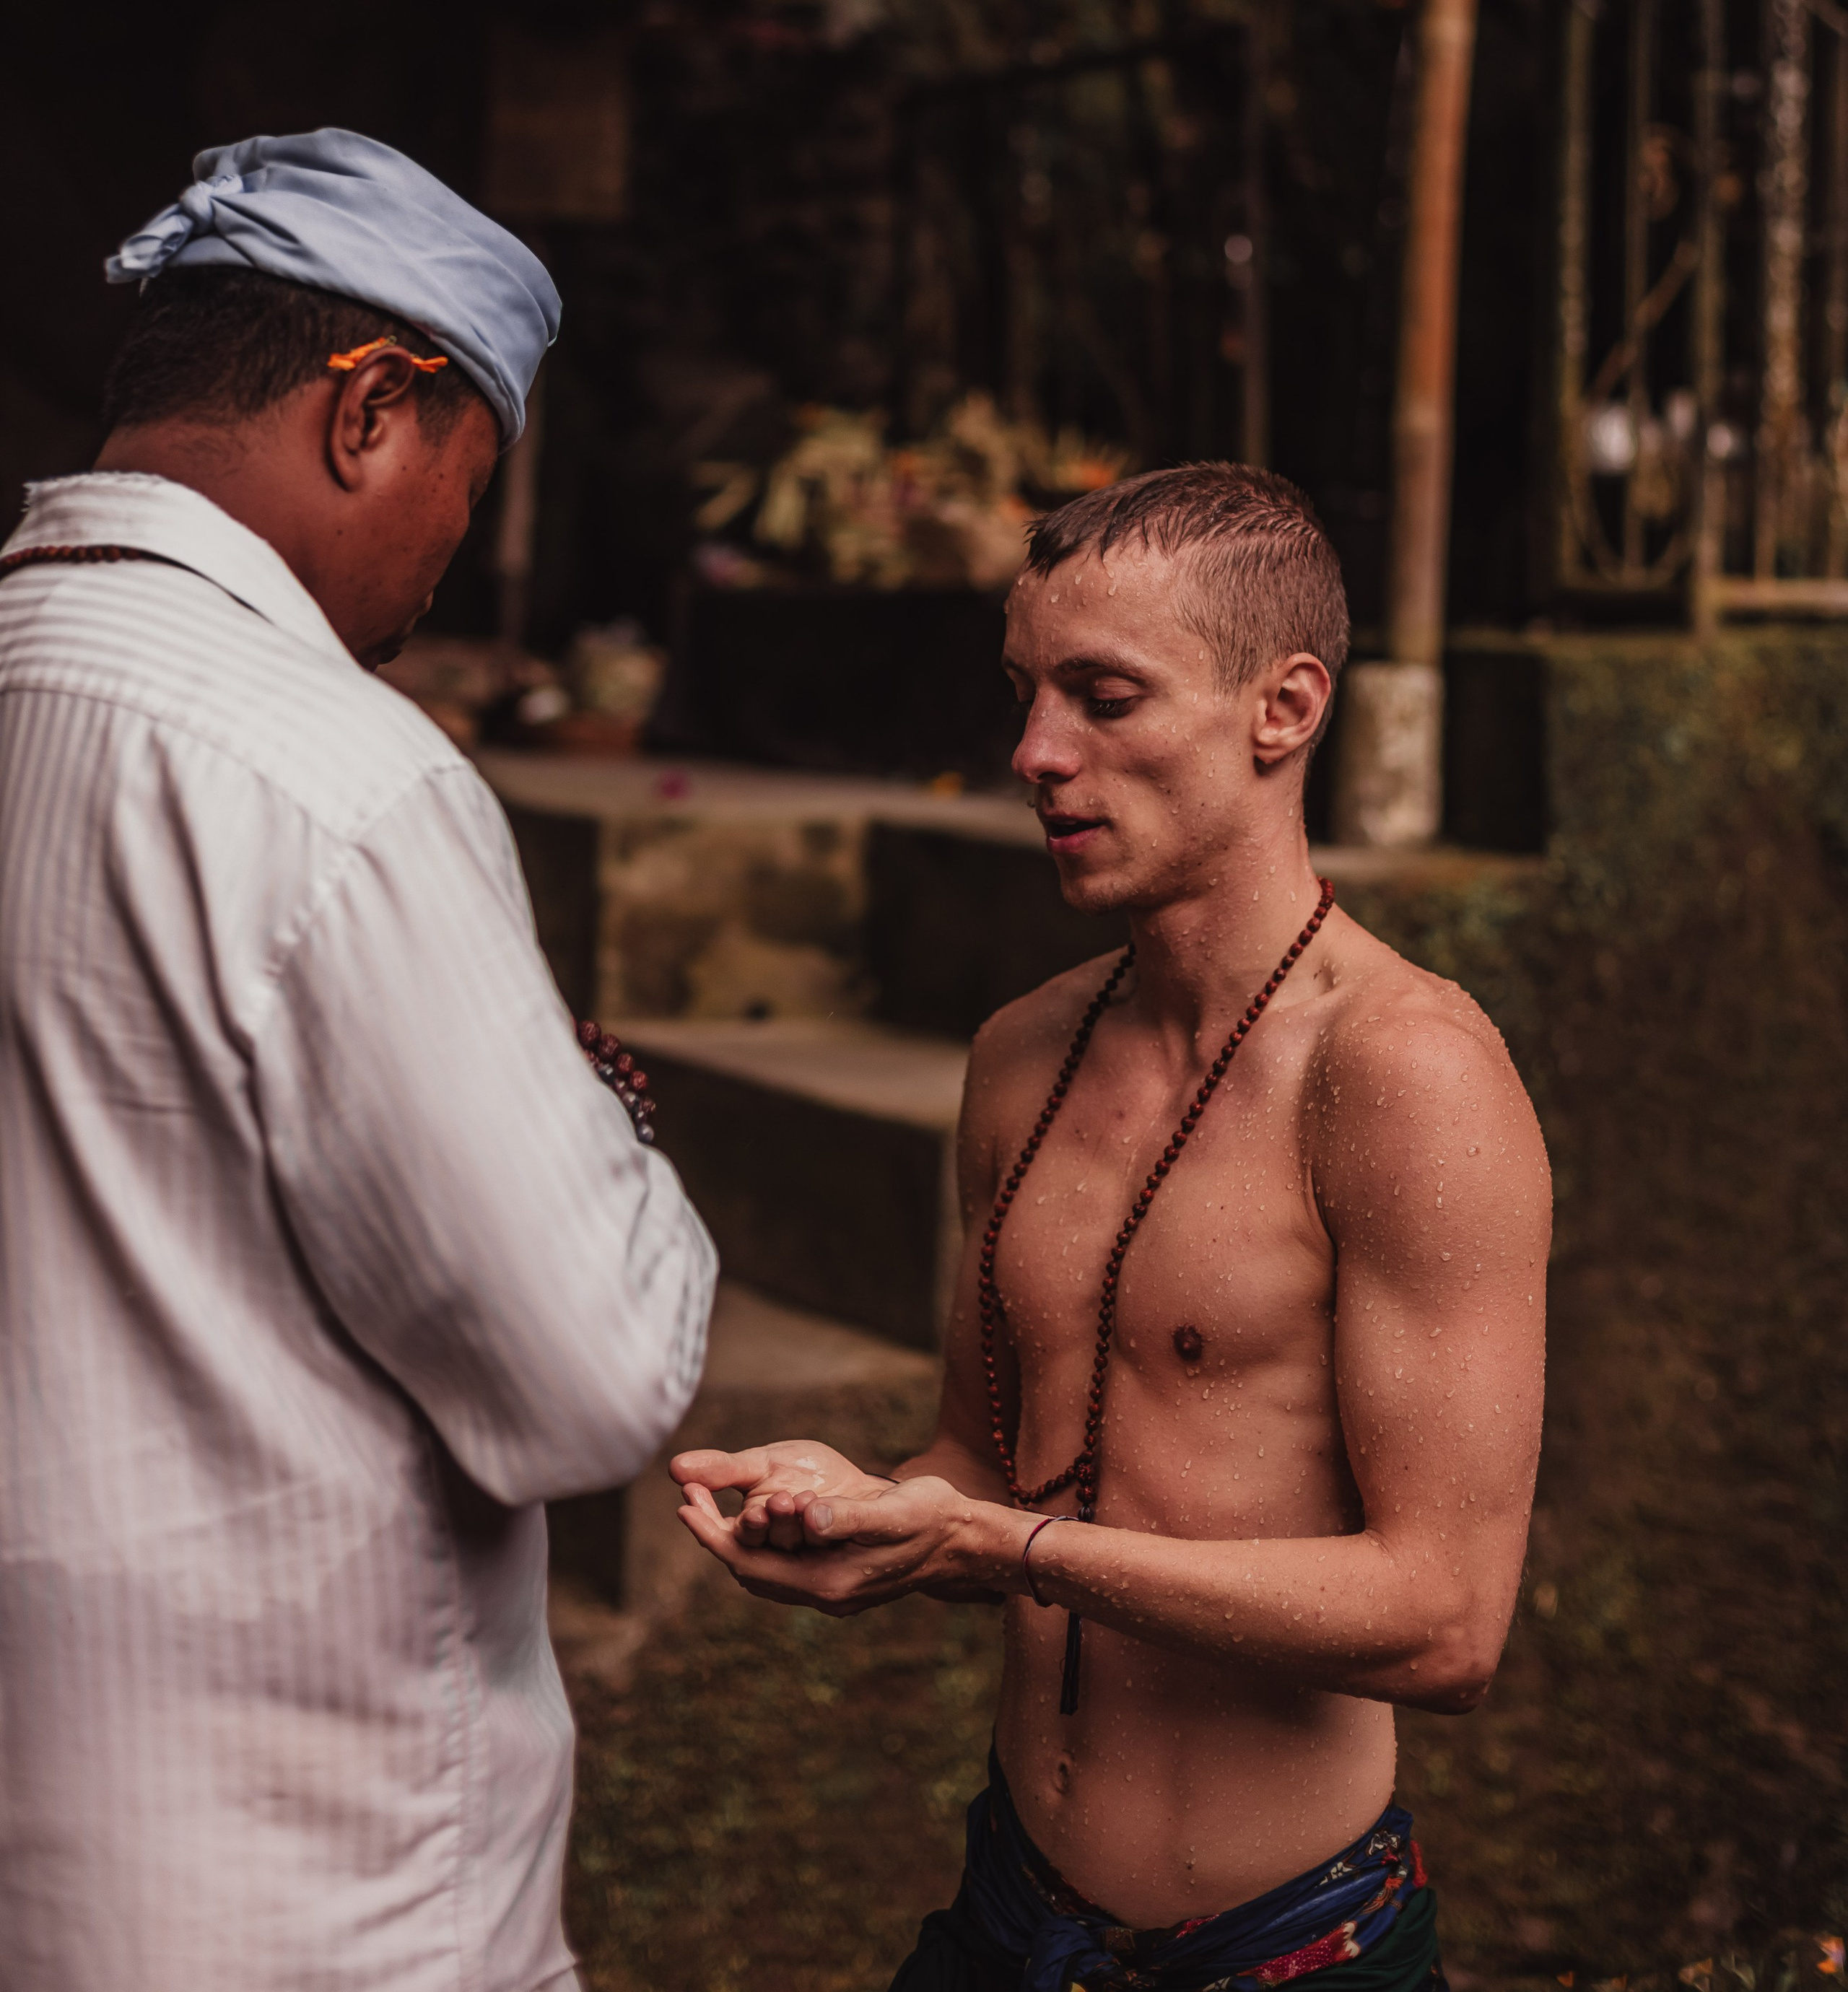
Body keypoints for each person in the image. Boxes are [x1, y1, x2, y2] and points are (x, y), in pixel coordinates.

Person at [673, 463, 1551, 1992]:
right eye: (1025, 694)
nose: (1035, 753)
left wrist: (1000, 1542)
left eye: (1105, 698)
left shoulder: (1402, 1072)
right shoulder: (1021, 1054)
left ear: (1280, 710)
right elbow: (976, 1463)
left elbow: (1445, 1619)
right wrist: (870, 1514)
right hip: (1008, 1903)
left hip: (1283, 1944)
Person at [0, 129, 717, 1992]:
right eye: (459, 504)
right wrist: (608, 1127)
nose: (434, 584)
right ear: (370, 408)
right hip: (311, 1899)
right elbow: (596, 1374)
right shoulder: (340, 777)